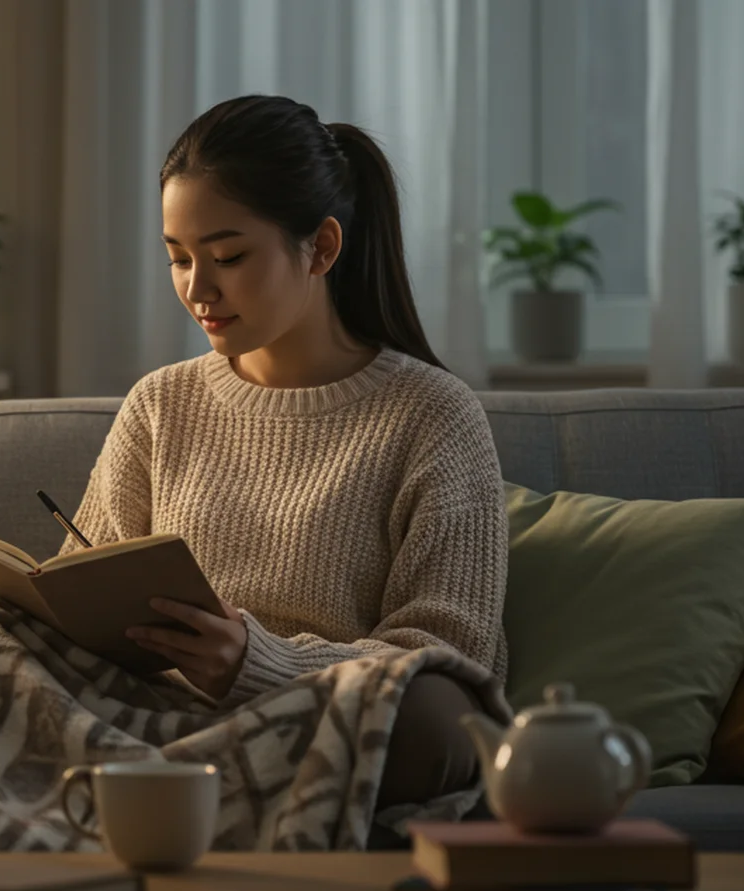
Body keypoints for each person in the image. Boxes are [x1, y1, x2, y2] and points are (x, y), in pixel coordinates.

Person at [57, 94, 510, 810]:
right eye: (177, 258)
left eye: (228, 257)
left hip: (318, 722)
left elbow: (451, 660)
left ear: (322, 248)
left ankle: (160, 787)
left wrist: (254, 662)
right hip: (146, 713)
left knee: (433, 718)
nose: (197, 290)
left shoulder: (431, 415)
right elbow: (83, 593)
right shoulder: (160, 403)